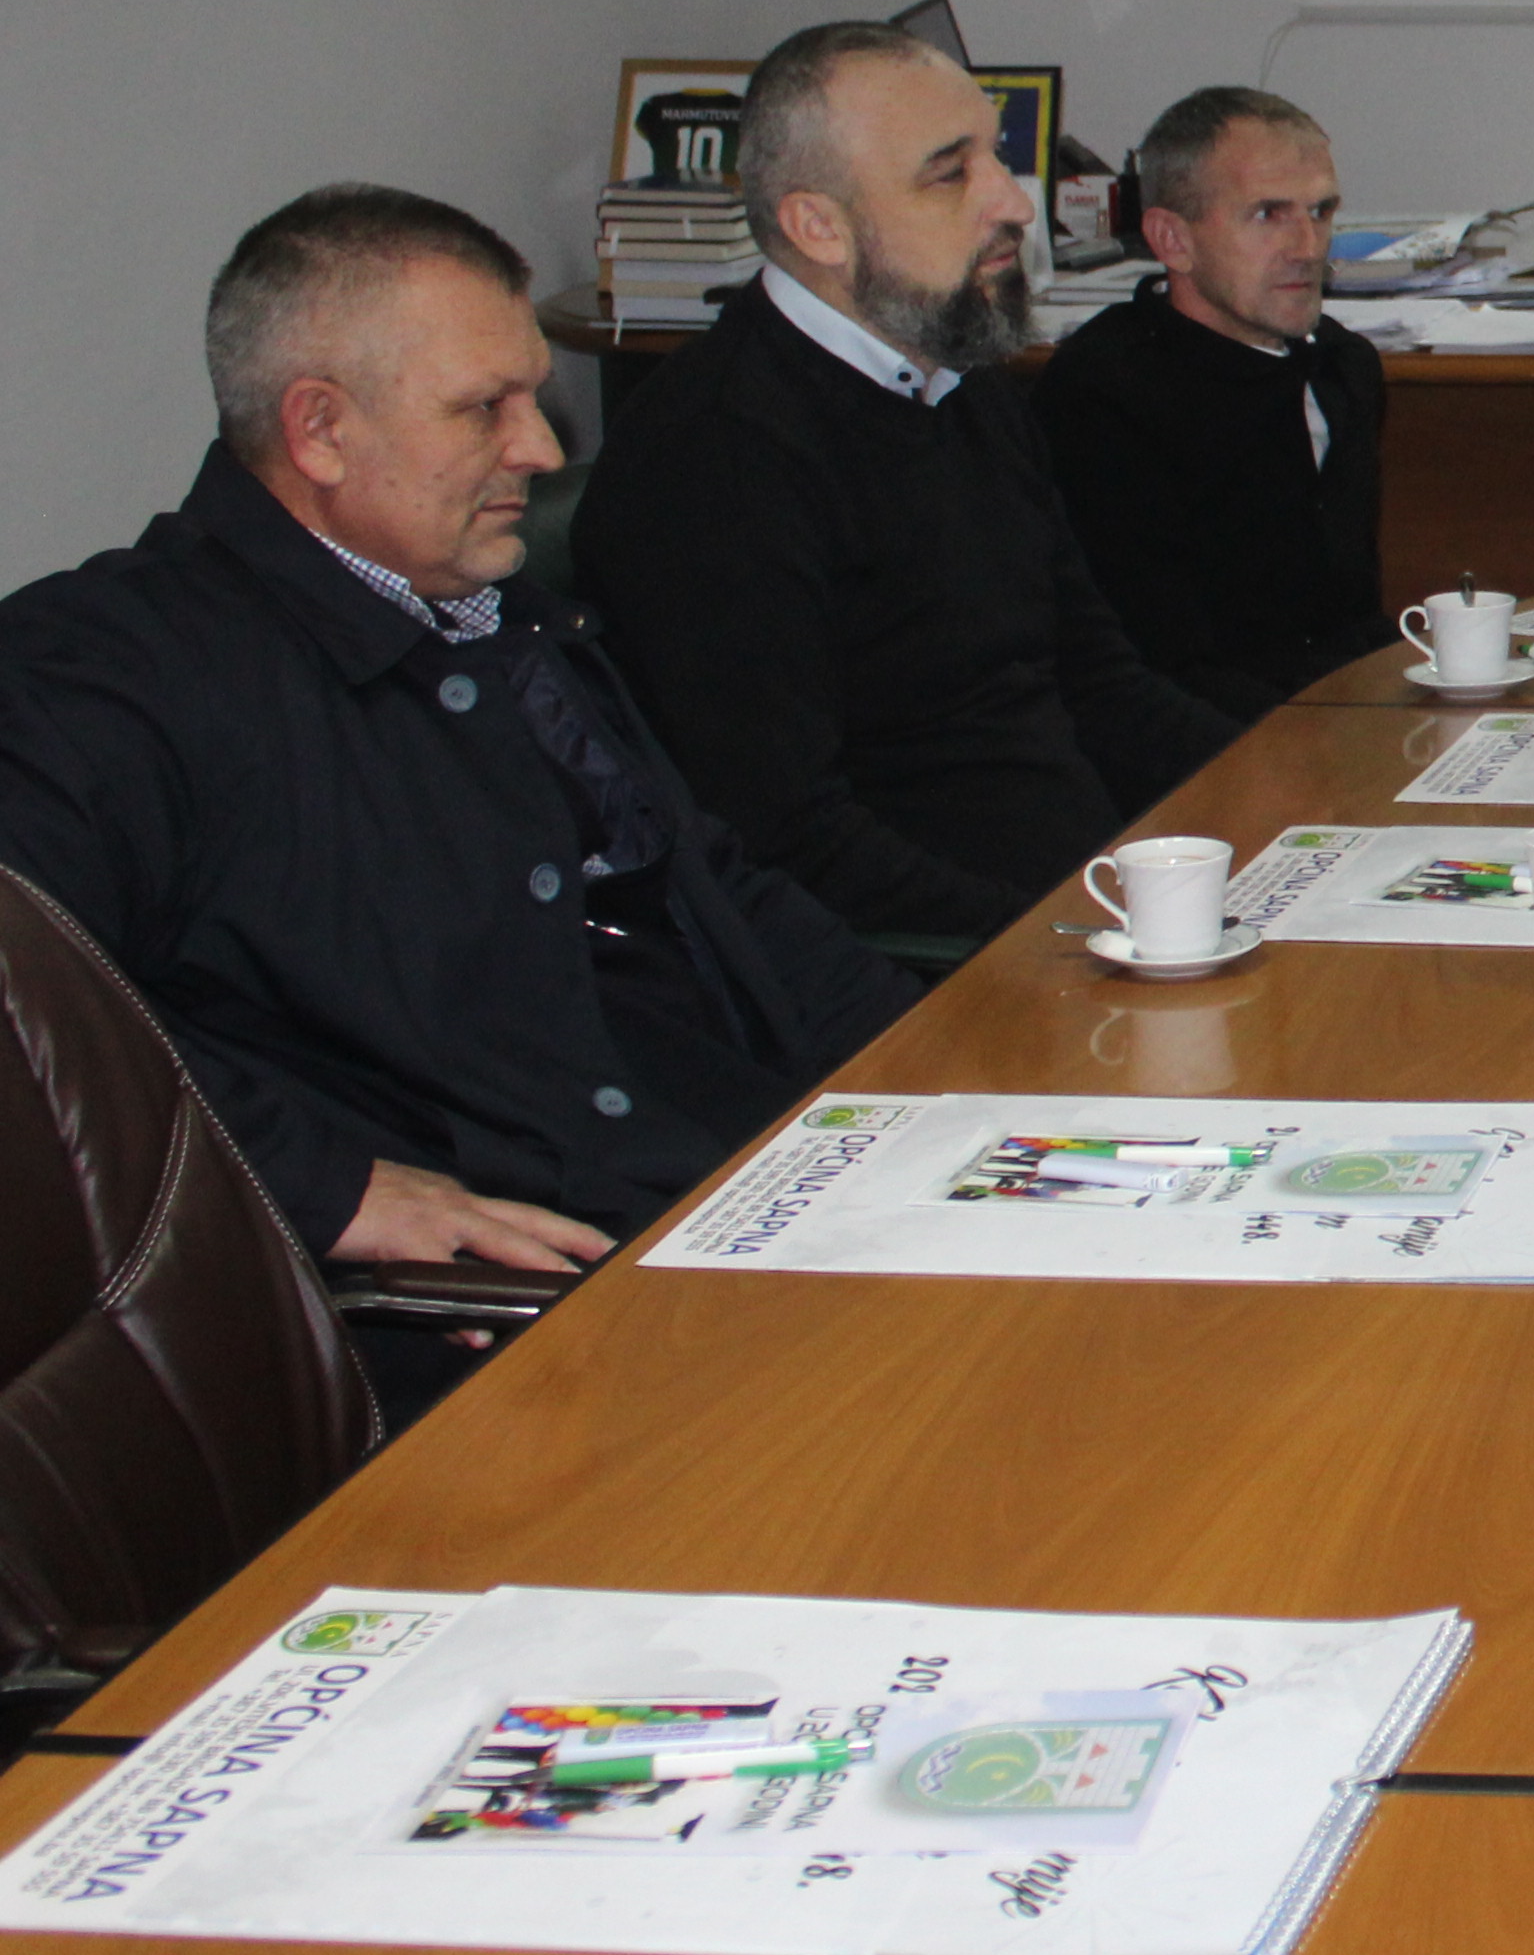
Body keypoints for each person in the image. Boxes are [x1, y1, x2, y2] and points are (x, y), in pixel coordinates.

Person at [0, 188, 909, 1338]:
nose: (541, 448)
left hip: (760, 1185)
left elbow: (711, 883)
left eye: (532, 396)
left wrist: (940, 1066)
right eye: (486, 409)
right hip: (519, 1306)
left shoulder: (494, 614)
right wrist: (332, 1189)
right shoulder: (101, 677)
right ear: (320, 430)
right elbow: (35, 1031)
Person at [579, 21, 1235, 946]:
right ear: (819, 226)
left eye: (997, 158)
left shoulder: (960, 384)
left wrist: (1299, 784)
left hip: (1088, 899)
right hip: (942, 965)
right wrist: (1066, 944)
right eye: (950, 172)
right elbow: (784, 841)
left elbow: (1099, 684)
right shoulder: (714, 457)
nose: (1012, 202)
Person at [1038, 85, 1389, 718]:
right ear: (1172, 240)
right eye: (1268, 214)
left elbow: (1349, 616)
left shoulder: (1343, 367)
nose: (1309, 247)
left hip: (1343, 712)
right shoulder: (1104, 395)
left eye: (1321, 210)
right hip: (1207, 735)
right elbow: (1143, 666)